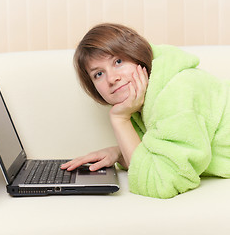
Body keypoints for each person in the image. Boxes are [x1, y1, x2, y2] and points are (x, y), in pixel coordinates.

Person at [61, 23, 230, 199]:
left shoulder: (176, 91)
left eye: (118, 62)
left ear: (136, 54)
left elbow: (162, 182)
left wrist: (120, 119)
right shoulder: (144, 100)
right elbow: (159, 153)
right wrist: (118, 154)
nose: (111, 78)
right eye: (99, 74)